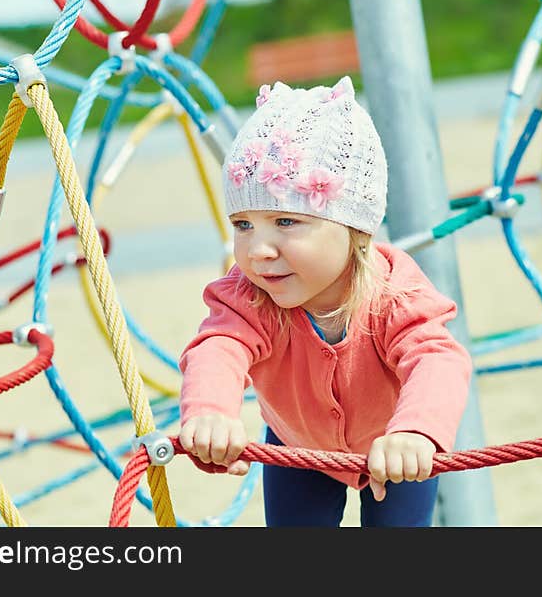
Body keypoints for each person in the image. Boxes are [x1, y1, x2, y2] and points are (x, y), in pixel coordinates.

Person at [178, 76, 473, 527]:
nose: (258, 250)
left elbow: (437, 358)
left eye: (285, 220)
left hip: (393, 447)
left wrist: (416, 431)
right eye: (243, 225)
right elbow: (219, 346)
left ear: (354, 227)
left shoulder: (394, 292)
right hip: (296, 442)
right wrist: (211, 412)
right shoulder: (250, 293)